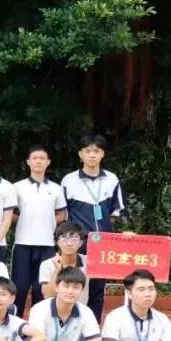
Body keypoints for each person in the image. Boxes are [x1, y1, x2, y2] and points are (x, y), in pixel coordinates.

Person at [62, 134, 127, 320]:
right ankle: (71, 323)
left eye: (96, 151)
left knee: (98, 288)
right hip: (77, 242)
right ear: (80, 154)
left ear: (102, 154)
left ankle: (93, 328)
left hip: (103, 244)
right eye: (87, 151)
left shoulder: (112, 179)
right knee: (74, 284)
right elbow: (63, 213)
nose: (92, 155)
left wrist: (104, 233)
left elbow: (115, 212)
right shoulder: (69, 180)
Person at [10, 145, 67, 317]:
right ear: (28, 162)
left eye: (42, 158)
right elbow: (10, 214)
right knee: (19, 288)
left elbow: (62, 214)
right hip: (22, 244)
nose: (38, 161)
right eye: (34, 158)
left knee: (41, 289)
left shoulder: (56, 188)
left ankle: (40, 325)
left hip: (47, 245)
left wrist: (46, 220)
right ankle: (15, 325)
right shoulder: (16, 187)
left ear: (48, 162)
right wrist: (27, 219)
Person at [39, 222, 90, 306]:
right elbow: (47, 295)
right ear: (57, 242)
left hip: (80, 309)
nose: (69, 243)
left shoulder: (89, 261)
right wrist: (57, 270)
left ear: (80, 243)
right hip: (55, 310)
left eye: (74, 239)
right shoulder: (47, 264)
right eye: (64, 239)